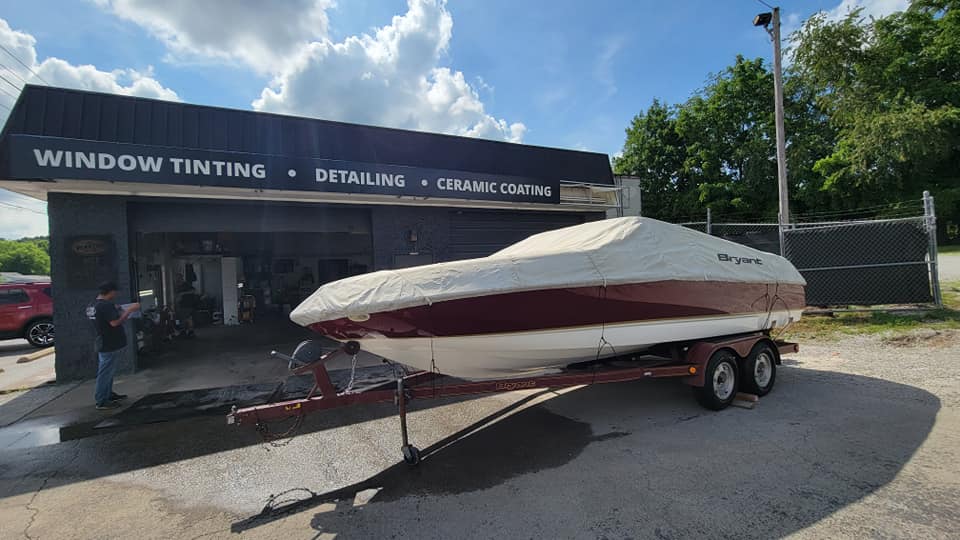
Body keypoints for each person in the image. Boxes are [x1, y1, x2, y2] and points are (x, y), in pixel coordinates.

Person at [93, 282, 139, 410]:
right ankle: (101, 400)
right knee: (105, 372)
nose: (116, 294)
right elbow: (115, 322)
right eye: (115, 292)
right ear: (111, 292)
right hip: (110, 341)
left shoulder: (94, 305)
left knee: (108, 370)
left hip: (102, 340)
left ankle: (108, 394)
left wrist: (117, 308)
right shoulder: (106, 306)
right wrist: (129, 311)